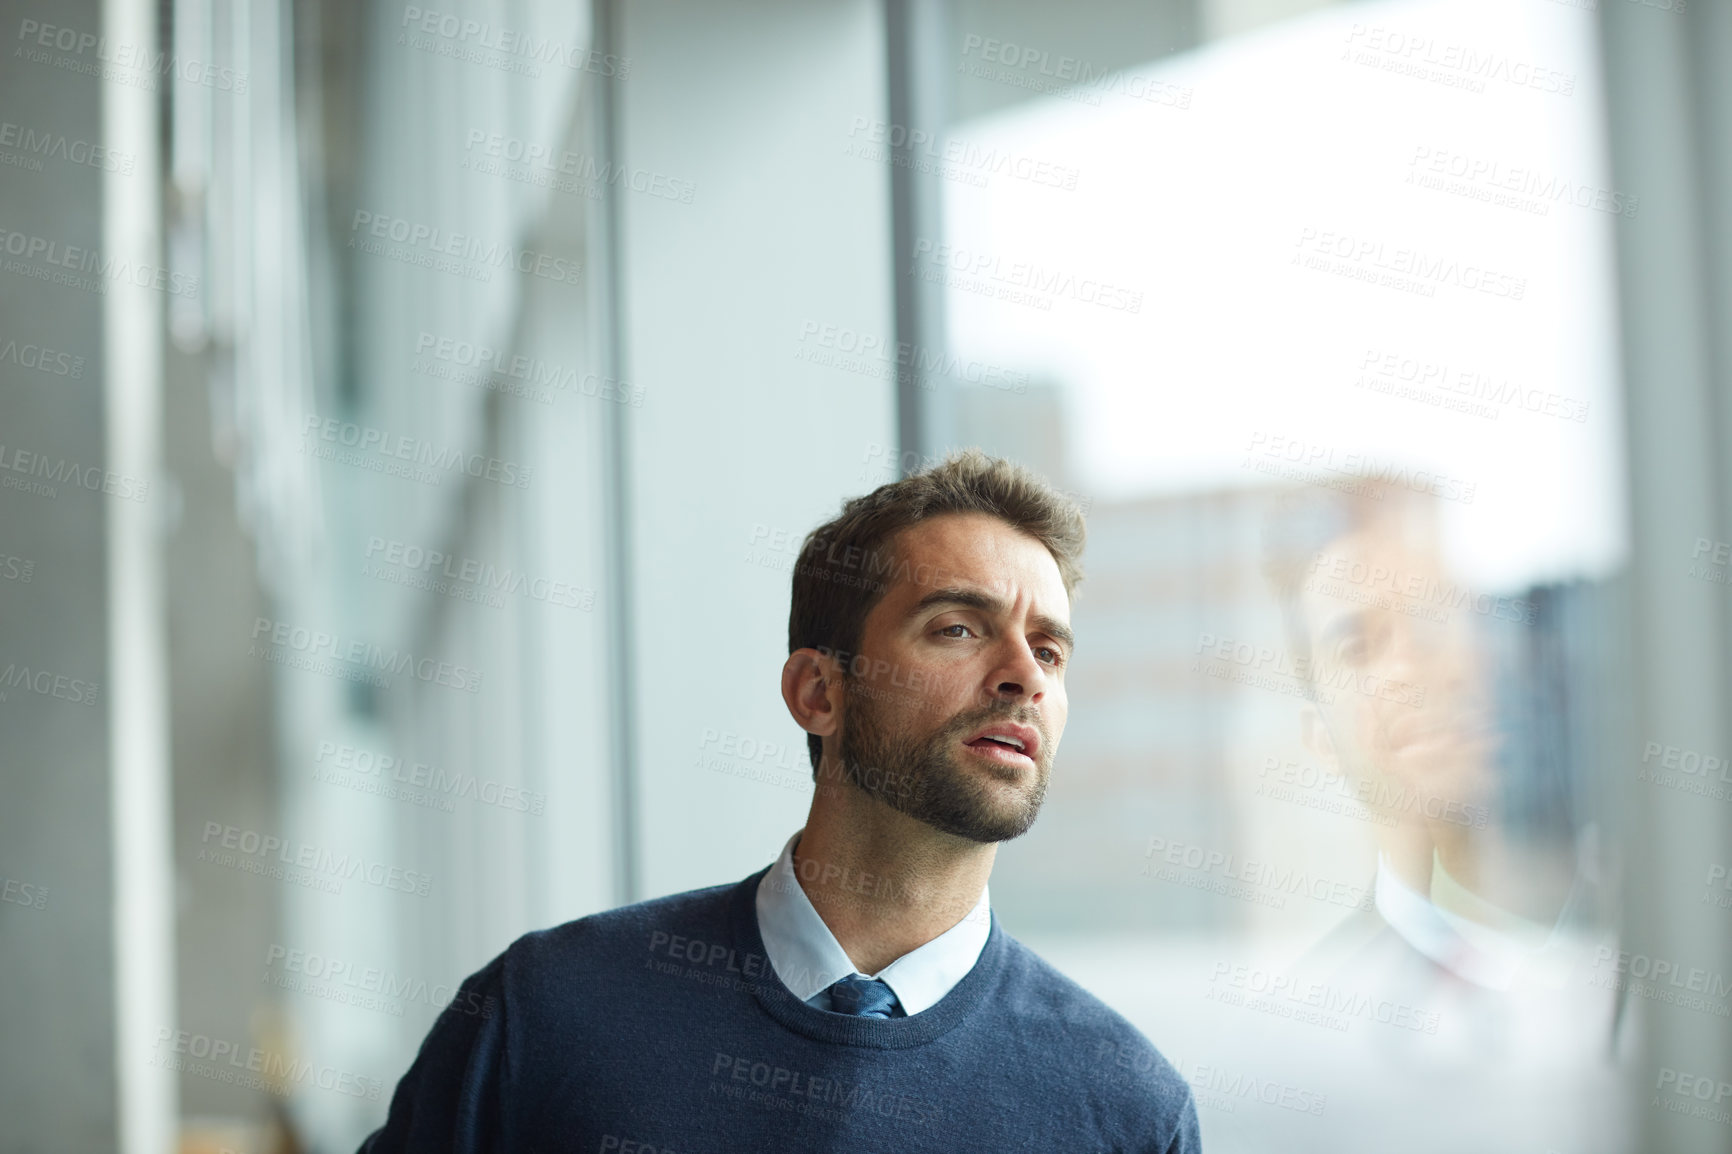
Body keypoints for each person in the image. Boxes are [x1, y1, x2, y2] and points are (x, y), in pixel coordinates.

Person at [359, 449, 1201, 1153]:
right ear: (817, 692)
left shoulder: (1127, 1111)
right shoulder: (547, 1013)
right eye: (958, 628)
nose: (1024, 675)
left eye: (1050, 650)